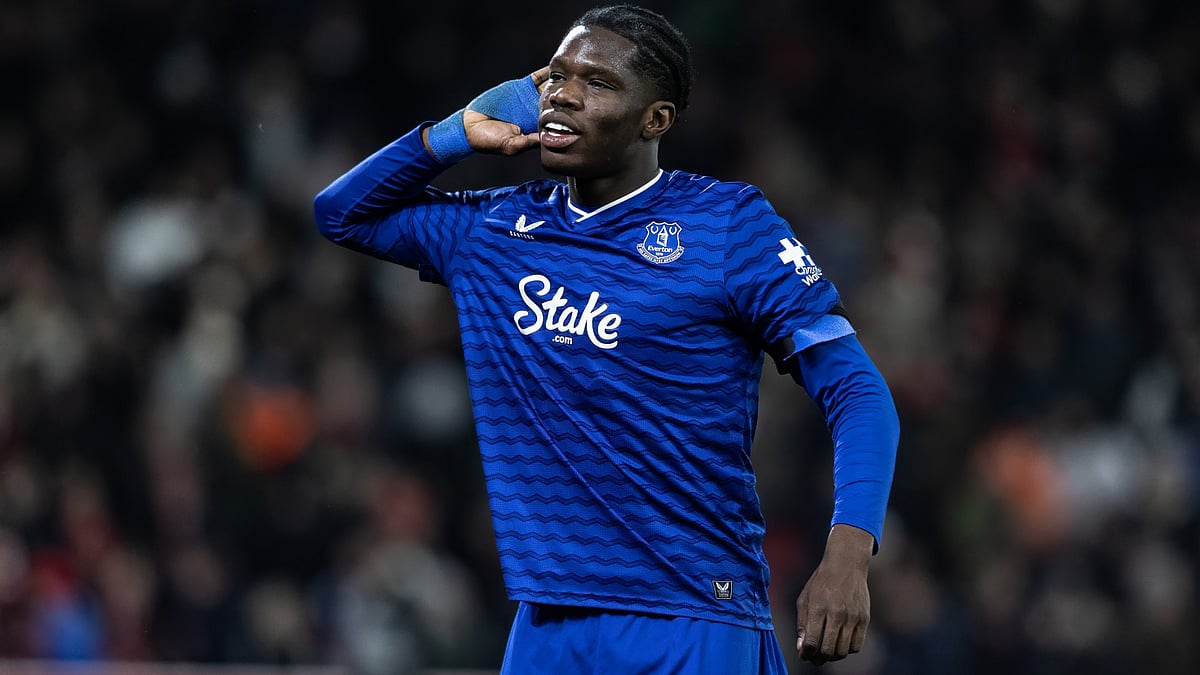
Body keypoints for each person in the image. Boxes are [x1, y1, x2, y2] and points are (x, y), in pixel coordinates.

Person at [313, 4, 899, 673]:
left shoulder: (727, 228)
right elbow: (340, 214)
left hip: (691, 615)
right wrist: (452, 134)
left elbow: (856, 388)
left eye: (598, 82)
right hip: (547, 622)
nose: (562, 94)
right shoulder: (494, 232)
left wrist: (848, 555)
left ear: (656, 120)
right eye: (555, 76)